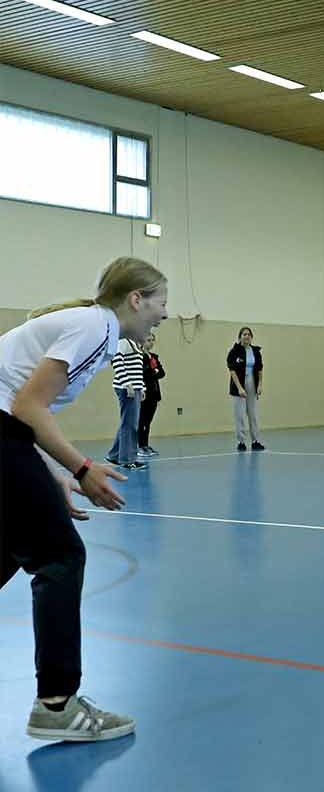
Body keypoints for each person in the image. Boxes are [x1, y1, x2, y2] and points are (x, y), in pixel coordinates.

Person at [0, 255, 168, 741]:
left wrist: (51, 471)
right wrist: (81, 467)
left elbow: (25, 409)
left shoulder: (97, 328)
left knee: (15, 548)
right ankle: (57, 704)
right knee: (60, 556)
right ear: (135, 299)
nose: (164, 314)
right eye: (161, 302)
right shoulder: (96, 326)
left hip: (7, 435)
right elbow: (25, 406)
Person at [103, 336, 144, 470]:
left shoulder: (135, 344)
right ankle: (127, 460)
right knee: (130, 425)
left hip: (135, 388)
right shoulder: (124, 341)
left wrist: (142, 388)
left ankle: (114, 455)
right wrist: (127, 384)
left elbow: (137, 369)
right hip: (127, 389)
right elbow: (116, 360)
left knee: (127, 423)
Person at [226, 327, 265, 451]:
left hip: (252, 383)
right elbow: (232, 371)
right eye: (244, 334)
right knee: (240, 415)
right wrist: (239, 388)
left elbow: (259, 369)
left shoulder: (255, 351)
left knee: (253, 413)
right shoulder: (234, 351)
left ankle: (255, 441)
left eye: (248, 334)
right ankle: (241, 442)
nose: (246, 336)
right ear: (240, 337)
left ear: (251, 337)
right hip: (238, 384)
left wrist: (259, 385)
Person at [137, 331, 166, 458]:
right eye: (148, 340)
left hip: (154, 393)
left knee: (148, 422)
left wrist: (153, 372)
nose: (151, 342)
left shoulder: (154, 357)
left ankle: (145, 445)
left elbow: (162, 373)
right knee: (141, 420)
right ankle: (139, 446)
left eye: (153, 340)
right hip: (144, 393)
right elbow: (143, 374)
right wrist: (154, 372)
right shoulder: (139, 356)